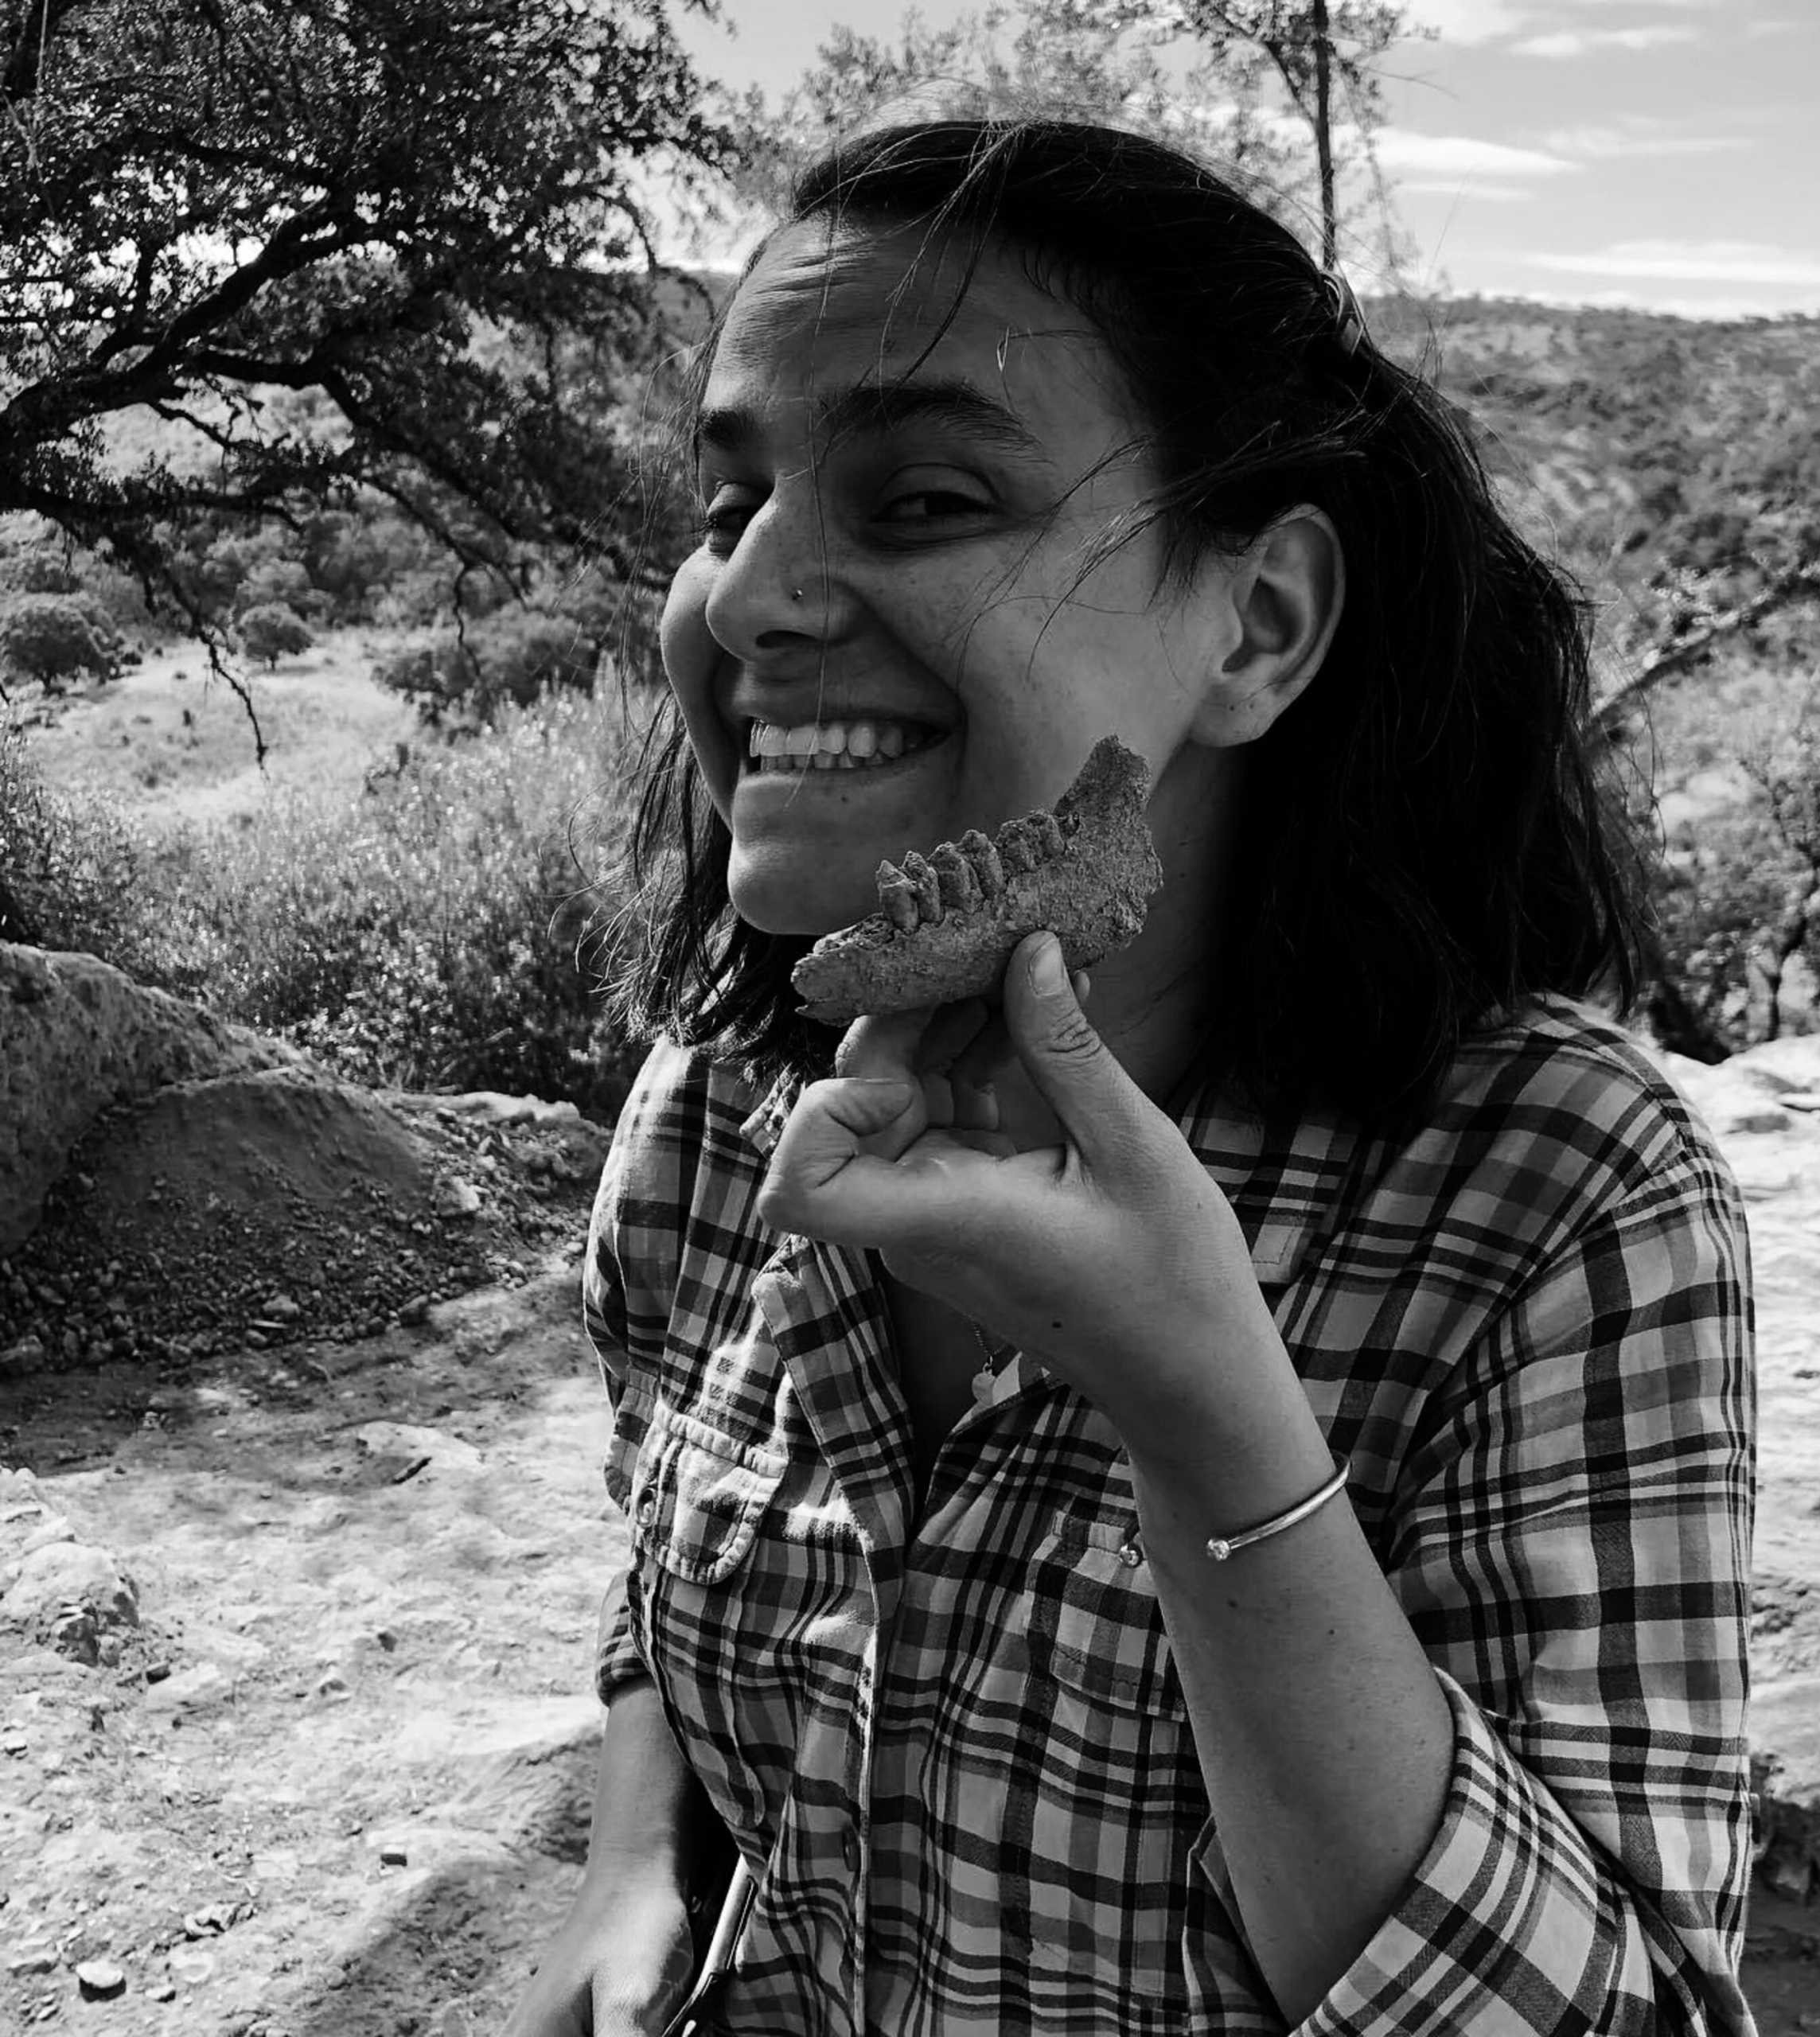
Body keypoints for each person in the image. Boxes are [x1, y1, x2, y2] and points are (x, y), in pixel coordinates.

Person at [509, 116, 1756, 2037]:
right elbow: (659, 1549)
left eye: (923, 498)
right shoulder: (712, 1105)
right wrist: (632, 1857)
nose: (748, 596)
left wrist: (1204, 1419)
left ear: (1256, 625)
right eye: (728, 502)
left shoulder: (1558, 1192)